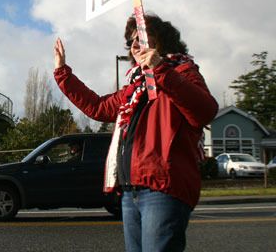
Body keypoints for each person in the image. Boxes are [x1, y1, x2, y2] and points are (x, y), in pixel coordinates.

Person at [53, 14, 218, 252]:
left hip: (163, 186)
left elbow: (205, 111)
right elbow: (98, 107)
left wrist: (160, 69)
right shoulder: (134, 87)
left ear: (162, 41)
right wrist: (63, 74)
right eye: (131, 41)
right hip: (130, 189)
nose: (134, 45)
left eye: (141, 36)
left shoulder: (182, 72)